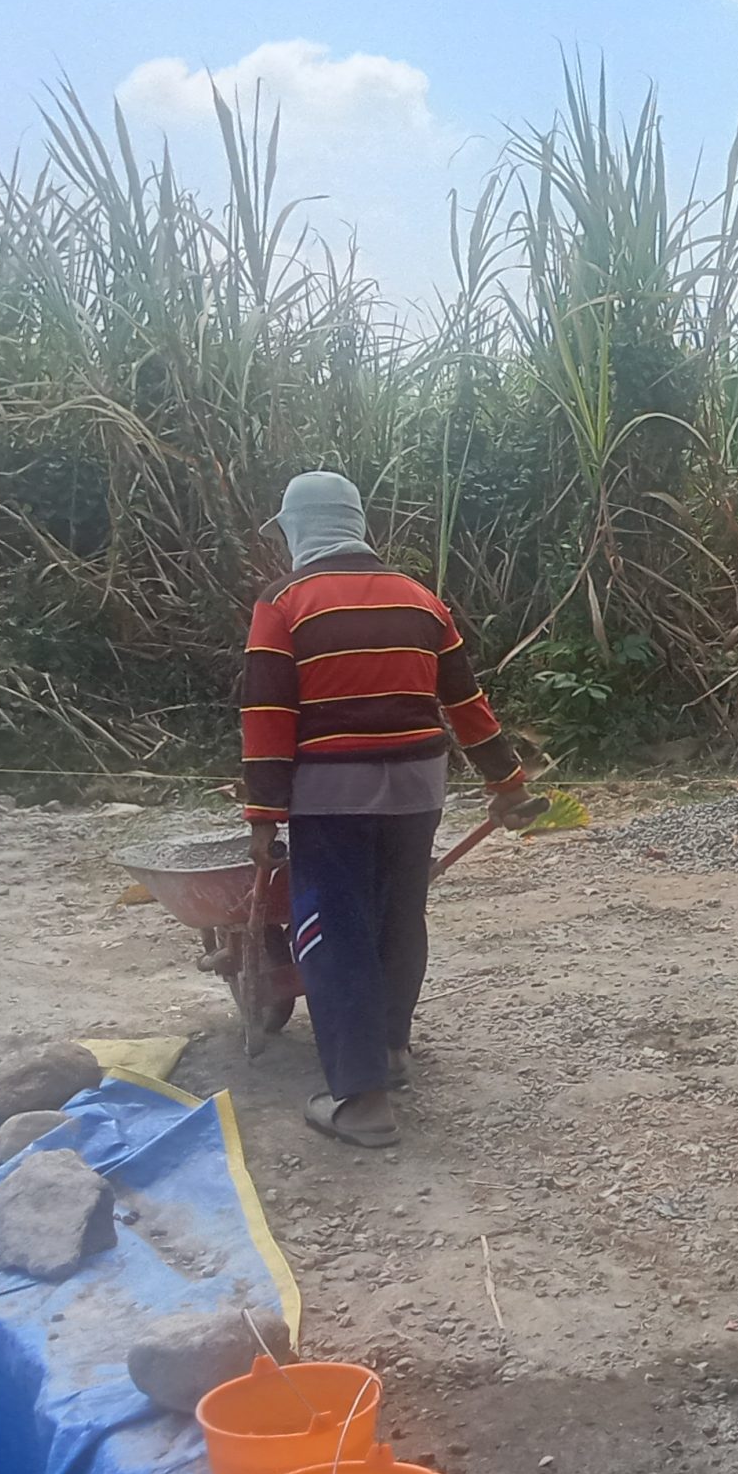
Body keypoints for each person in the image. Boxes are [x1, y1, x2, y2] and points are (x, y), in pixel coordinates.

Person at [241, 470, 542, 1149]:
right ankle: (392, 1052)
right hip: (417, 786)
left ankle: (362, 1100)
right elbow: (467, 705)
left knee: (332, 927)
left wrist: (263, 814)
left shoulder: (284, 602)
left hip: (330, 793)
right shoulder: (420, 600)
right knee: (398, 914)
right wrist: (508, 782)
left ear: (298, 528)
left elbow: (266, 713)